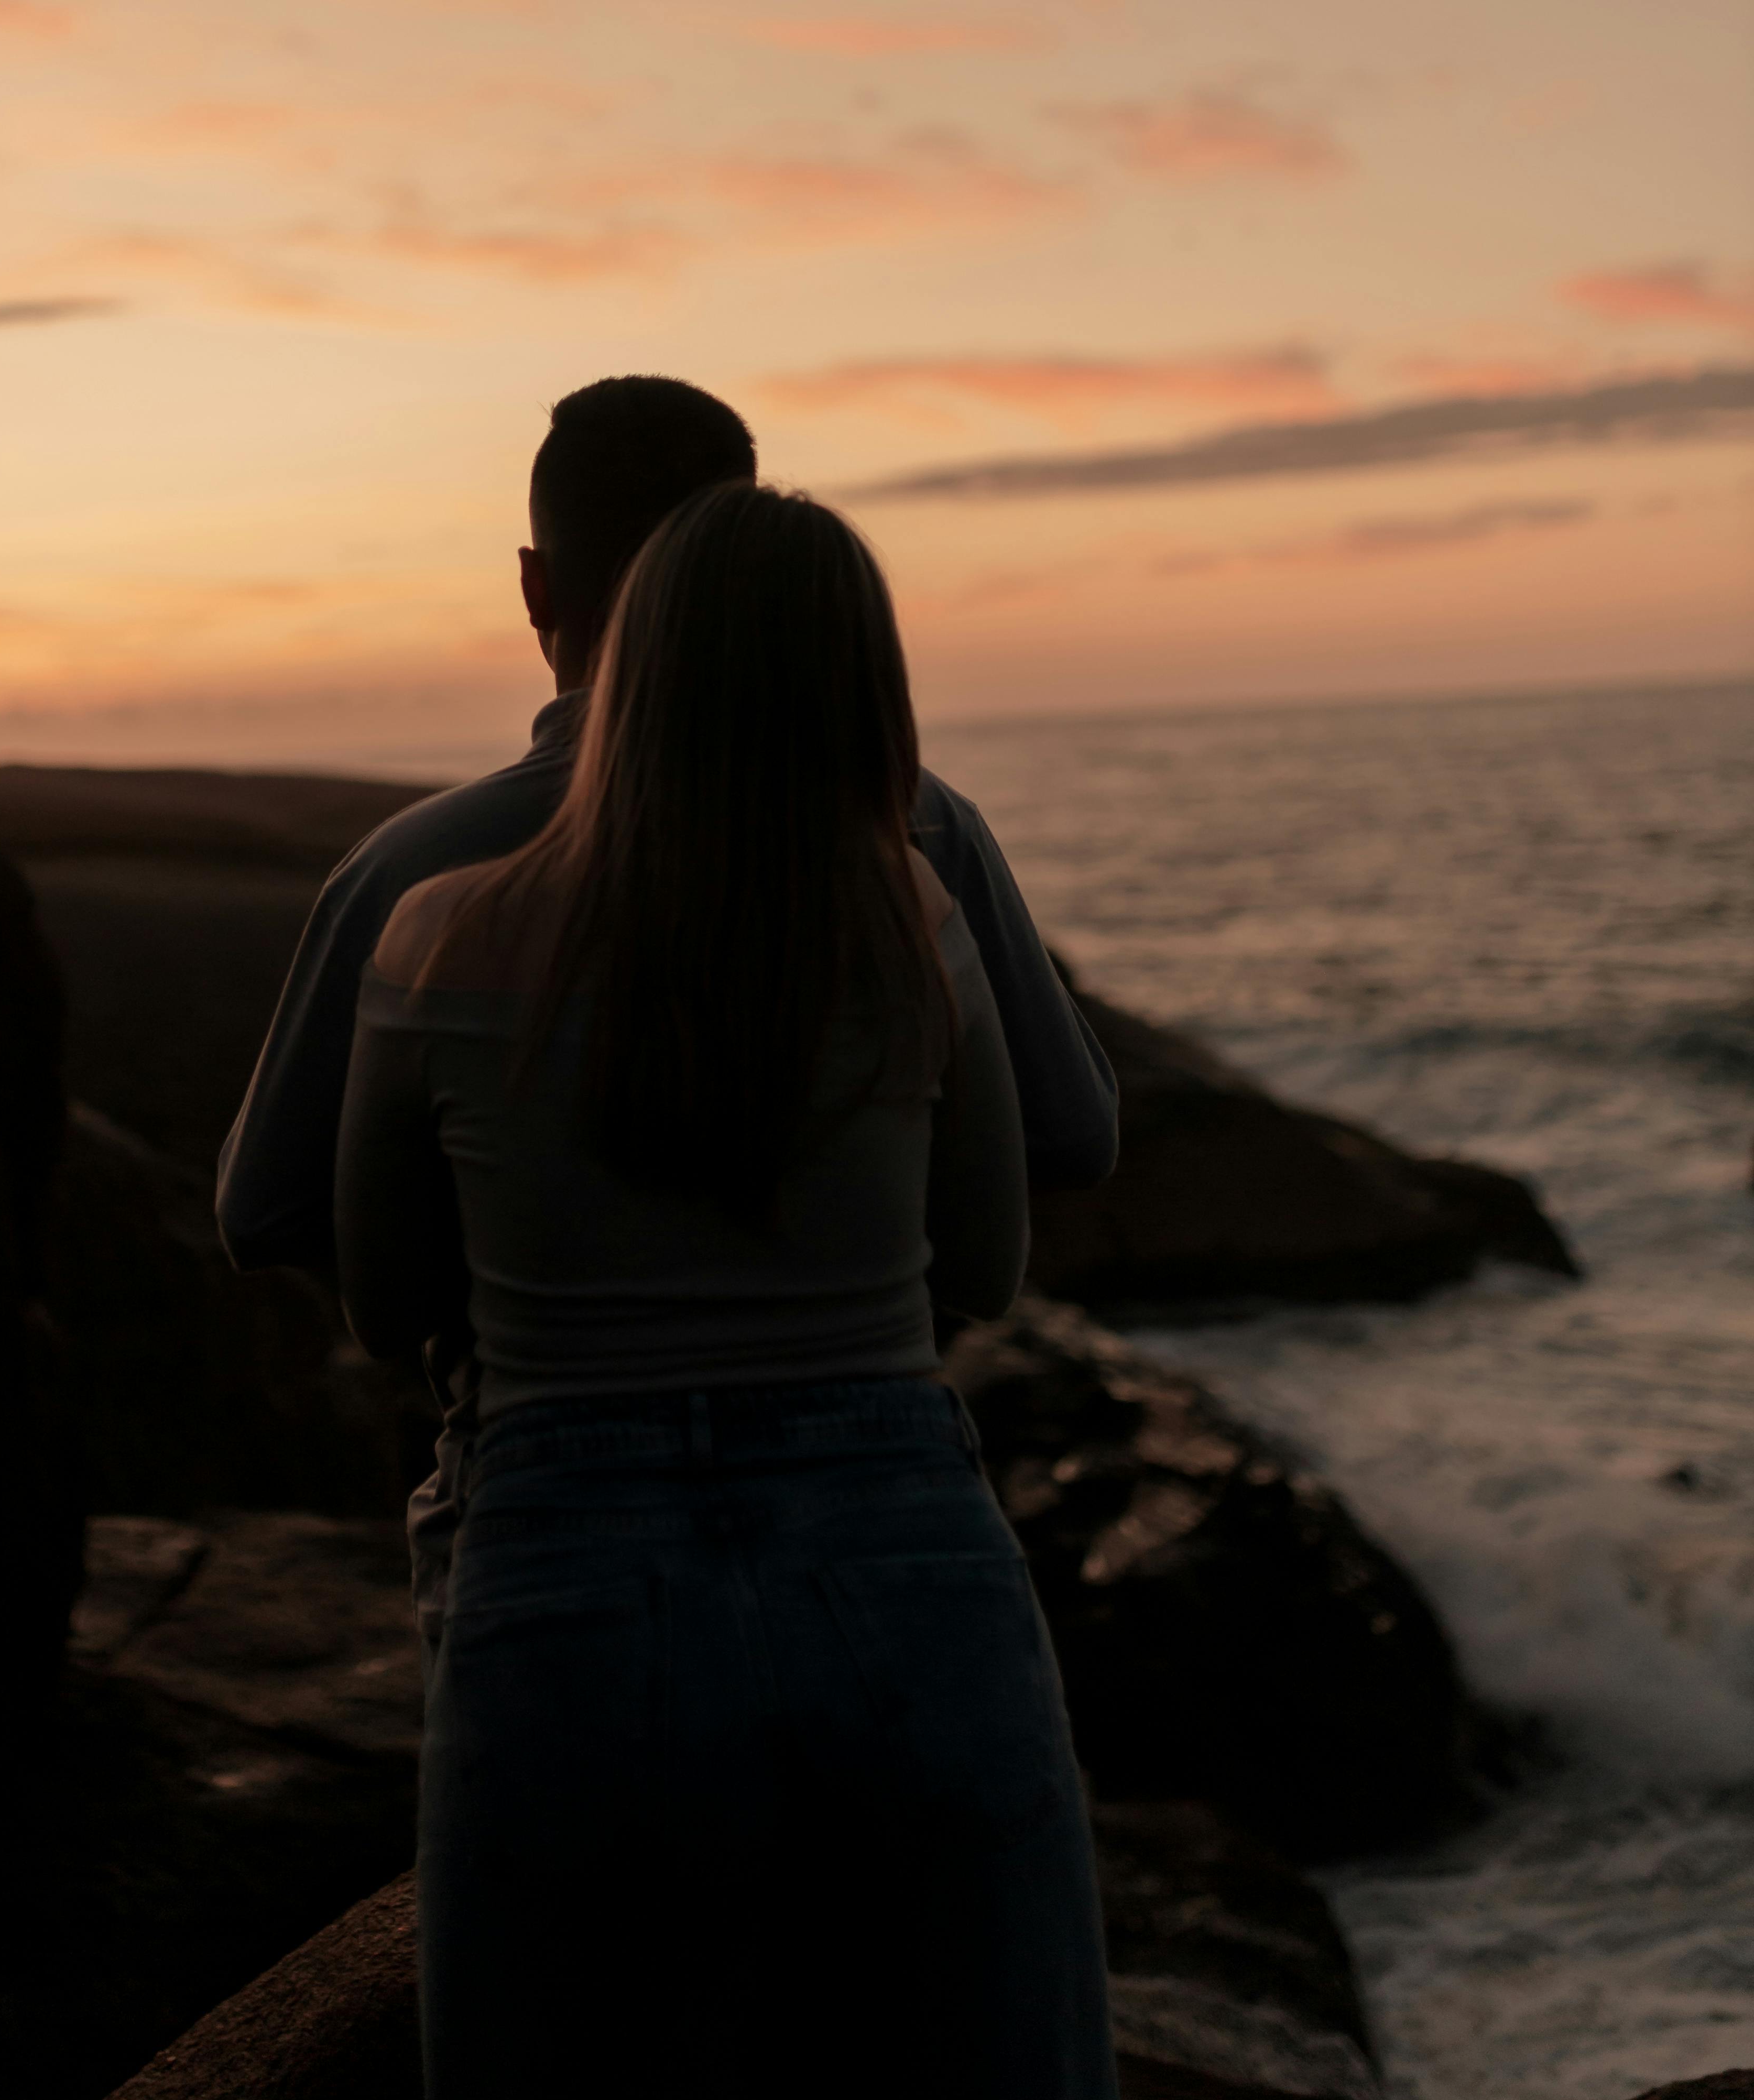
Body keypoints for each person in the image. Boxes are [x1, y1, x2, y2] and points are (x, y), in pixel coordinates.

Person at [335, 481, 1127, 2100]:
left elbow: (383, 1299)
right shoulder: (910, 921)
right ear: (865, 688)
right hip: (895, 1547)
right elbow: (984, 1268)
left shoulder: (434, 931)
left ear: (625, 667)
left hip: (563, 1571)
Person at [217, 374, 1120, 1647]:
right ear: (737, 566)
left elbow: (267, 1211)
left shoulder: (411, 874)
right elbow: (1069, 1138)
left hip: (544, 1497)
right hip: (870, 1477)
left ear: (537, 588)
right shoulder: (915, 832)